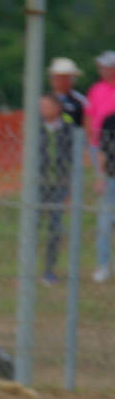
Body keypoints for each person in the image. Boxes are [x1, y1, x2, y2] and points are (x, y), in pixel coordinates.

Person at [37, 92, 74, 285]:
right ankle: (27, 271)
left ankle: (49, 271)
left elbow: (72, 162)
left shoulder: (68, 130)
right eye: (40, 106)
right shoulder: (37, 130)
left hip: (59, 185)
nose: (41, 110)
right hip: (39, 186)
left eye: (45, 106)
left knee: (54, 228)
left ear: (57, 108)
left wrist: (69, 190)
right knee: (32, 227)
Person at [88, 52, 115, 282]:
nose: (104, 70)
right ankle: (103, 264)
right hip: (104, 154)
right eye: (102, 67)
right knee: (105, 216)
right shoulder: (96, 90)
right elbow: (89, 117)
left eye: (108, 67)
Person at [48, 56, 87, 128]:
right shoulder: (44, 101)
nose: (60, 81)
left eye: (64, 77)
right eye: (56, 77)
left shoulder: (80, 101)